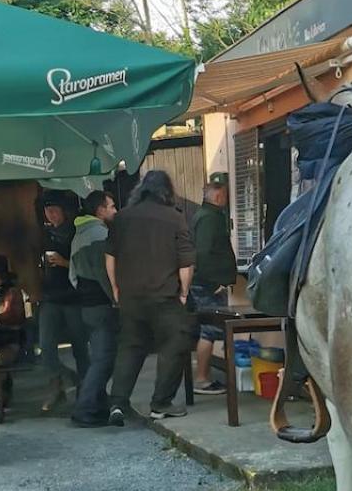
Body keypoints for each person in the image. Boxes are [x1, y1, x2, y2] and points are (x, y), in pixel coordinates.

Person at [104, 169, 195, 425]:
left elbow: (110, 257)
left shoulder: (122, 218)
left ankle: (118, 404)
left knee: (130, 347)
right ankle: (161, 403)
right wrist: (184, 292)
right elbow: (186, 262)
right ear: (167, 191)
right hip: (164, 297)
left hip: (131, 298)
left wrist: (116, 288)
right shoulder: (175, 218)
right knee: (174, 344)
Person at [67, 190, 119, 427]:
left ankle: (96, 404)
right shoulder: (100, 234)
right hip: (101, 305)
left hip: (85, 305)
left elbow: (72, 276)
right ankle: (85, 408)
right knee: (104, 360)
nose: (115, 211)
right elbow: (106, 274)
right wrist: (116, 298)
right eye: (111, 206)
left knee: (99, 358)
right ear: (99, 210)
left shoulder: (78, 235)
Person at [37, 191, 88, 412]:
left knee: (79, 345)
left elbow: (84, 266)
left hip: (73, 297)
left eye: (55, 210)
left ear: (64, 211)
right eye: (48, 211)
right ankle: (57, 384)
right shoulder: (44, 235)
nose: (51, 215)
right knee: (46, 346)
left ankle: (86, 389)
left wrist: (64, 262)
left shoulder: (76, 234)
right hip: (50, 297)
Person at [190, 176, 237, 395]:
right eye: (225, 195)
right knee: (209, 330)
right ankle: (202, 379)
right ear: (218, 196)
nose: (227, 200)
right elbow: (203, 252)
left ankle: (204, 376)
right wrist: (214, 282)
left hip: (206, 282)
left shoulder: (206, 215)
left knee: (210, 330)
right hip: (208, 284)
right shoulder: (209, 218)